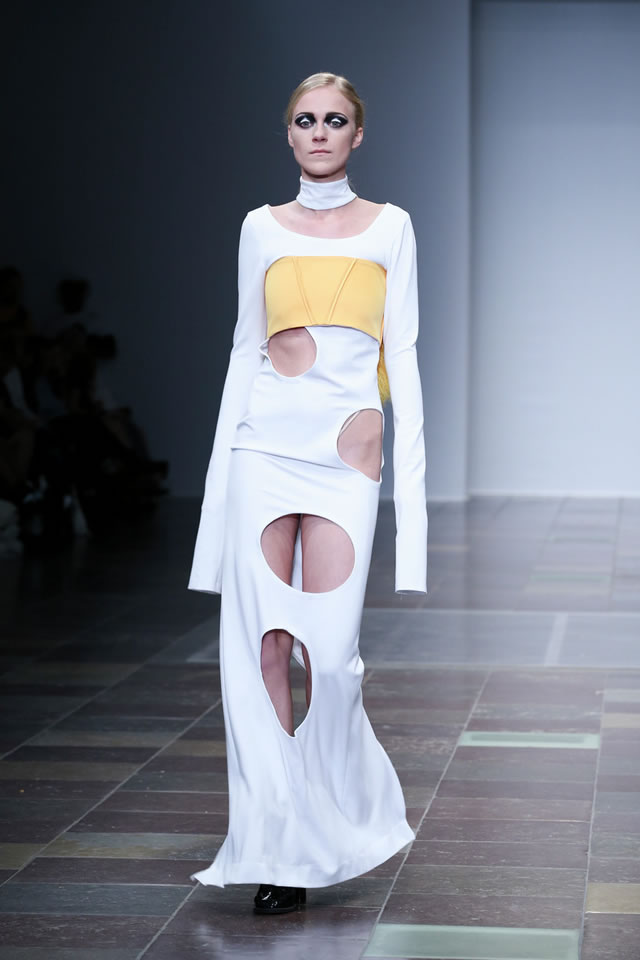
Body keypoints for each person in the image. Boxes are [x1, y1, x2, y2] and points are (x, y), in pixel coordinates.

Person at [188, 72, 428, 915]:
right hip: (263, 447)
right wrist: (215, 504)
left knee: (328, 656)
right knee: (262, 650)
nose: (319, 131)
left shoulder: (392, 226)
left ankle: (333, 812)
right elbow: (243, 350)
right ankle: (277, 848)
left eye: (334, 119)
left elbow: (404, 354)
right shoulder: (259, 227)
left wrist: (410, 514)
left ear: (357, 134)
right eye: (305, 119)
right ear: (288, 134)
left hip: (342, 459)